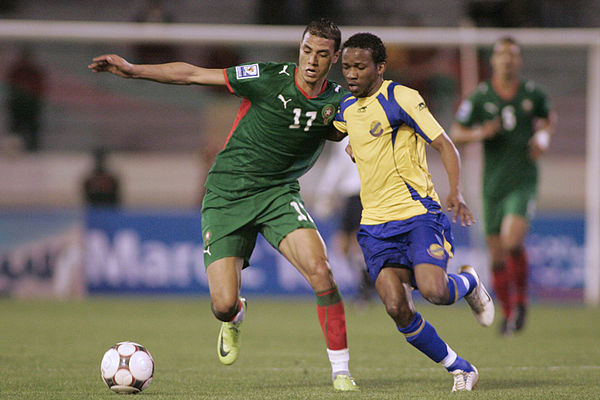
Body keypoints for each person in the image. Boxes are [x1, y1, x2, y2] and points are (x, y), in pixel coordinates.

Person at [89, 18, 359, 391]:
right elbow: (193, 75)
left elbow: (361, 129)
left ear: (335, 58)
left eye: (322, 54)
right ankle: (235, 316)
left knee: (322, 272)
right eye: (307, 50)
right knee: (222, 303)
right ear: (299, 48)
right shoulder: (267, 77)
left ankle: (341, 371)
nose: (311, 60)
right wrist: (134, 71)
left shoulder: (338, 101)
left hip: (278, 194)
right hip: (227, 194)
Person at [333, 32, 494, 392]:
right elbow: (353, 138)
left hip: (417, 214)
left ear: (380, 67)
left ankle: (468, 282)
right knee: (396, 307)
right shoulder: (345, 108)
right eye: (346, 67)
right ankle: (461, 368)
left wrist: (456, 191)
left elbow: (444, 143)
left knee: (434, 291)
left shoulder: (400, 98)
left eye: (360, 67)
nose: (352, 74)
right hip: (375, 225)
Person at [450, 37, 557, 336]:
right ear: (493, 61)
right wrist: (480, 132)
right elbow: (455, 133)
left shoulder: (532, 93)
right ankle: (509, 315)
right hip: (492, 185)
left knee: (512, 240)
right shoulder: (480, 96)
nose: (507, 60)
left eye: (512, 55)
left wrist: (542, 138)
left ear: (519, 61)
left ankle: (521, 301)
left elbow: (549, 118)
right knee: (496, 255)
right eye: (501, 55)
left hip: (522, 180)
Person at [315, 139, 375, 305]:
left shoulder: (347, 135)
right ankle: (366, 279)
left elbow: (337, 165)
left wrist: (324, 193)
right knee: (342, 245)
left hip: (358, 192)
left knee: (354, 242)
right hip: (357, 193)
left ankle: (367, 282)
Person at [6, 46, 46, 152]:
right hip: (17, 105)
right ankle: (13, 150)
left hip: (31, 105)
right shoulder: (16, 71)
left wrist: (31, 95)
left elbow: (40, 87)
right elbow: (10, 85)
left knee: (32, 129)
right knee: (15, 128)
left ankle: (33, 149)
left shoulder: (34, 71)